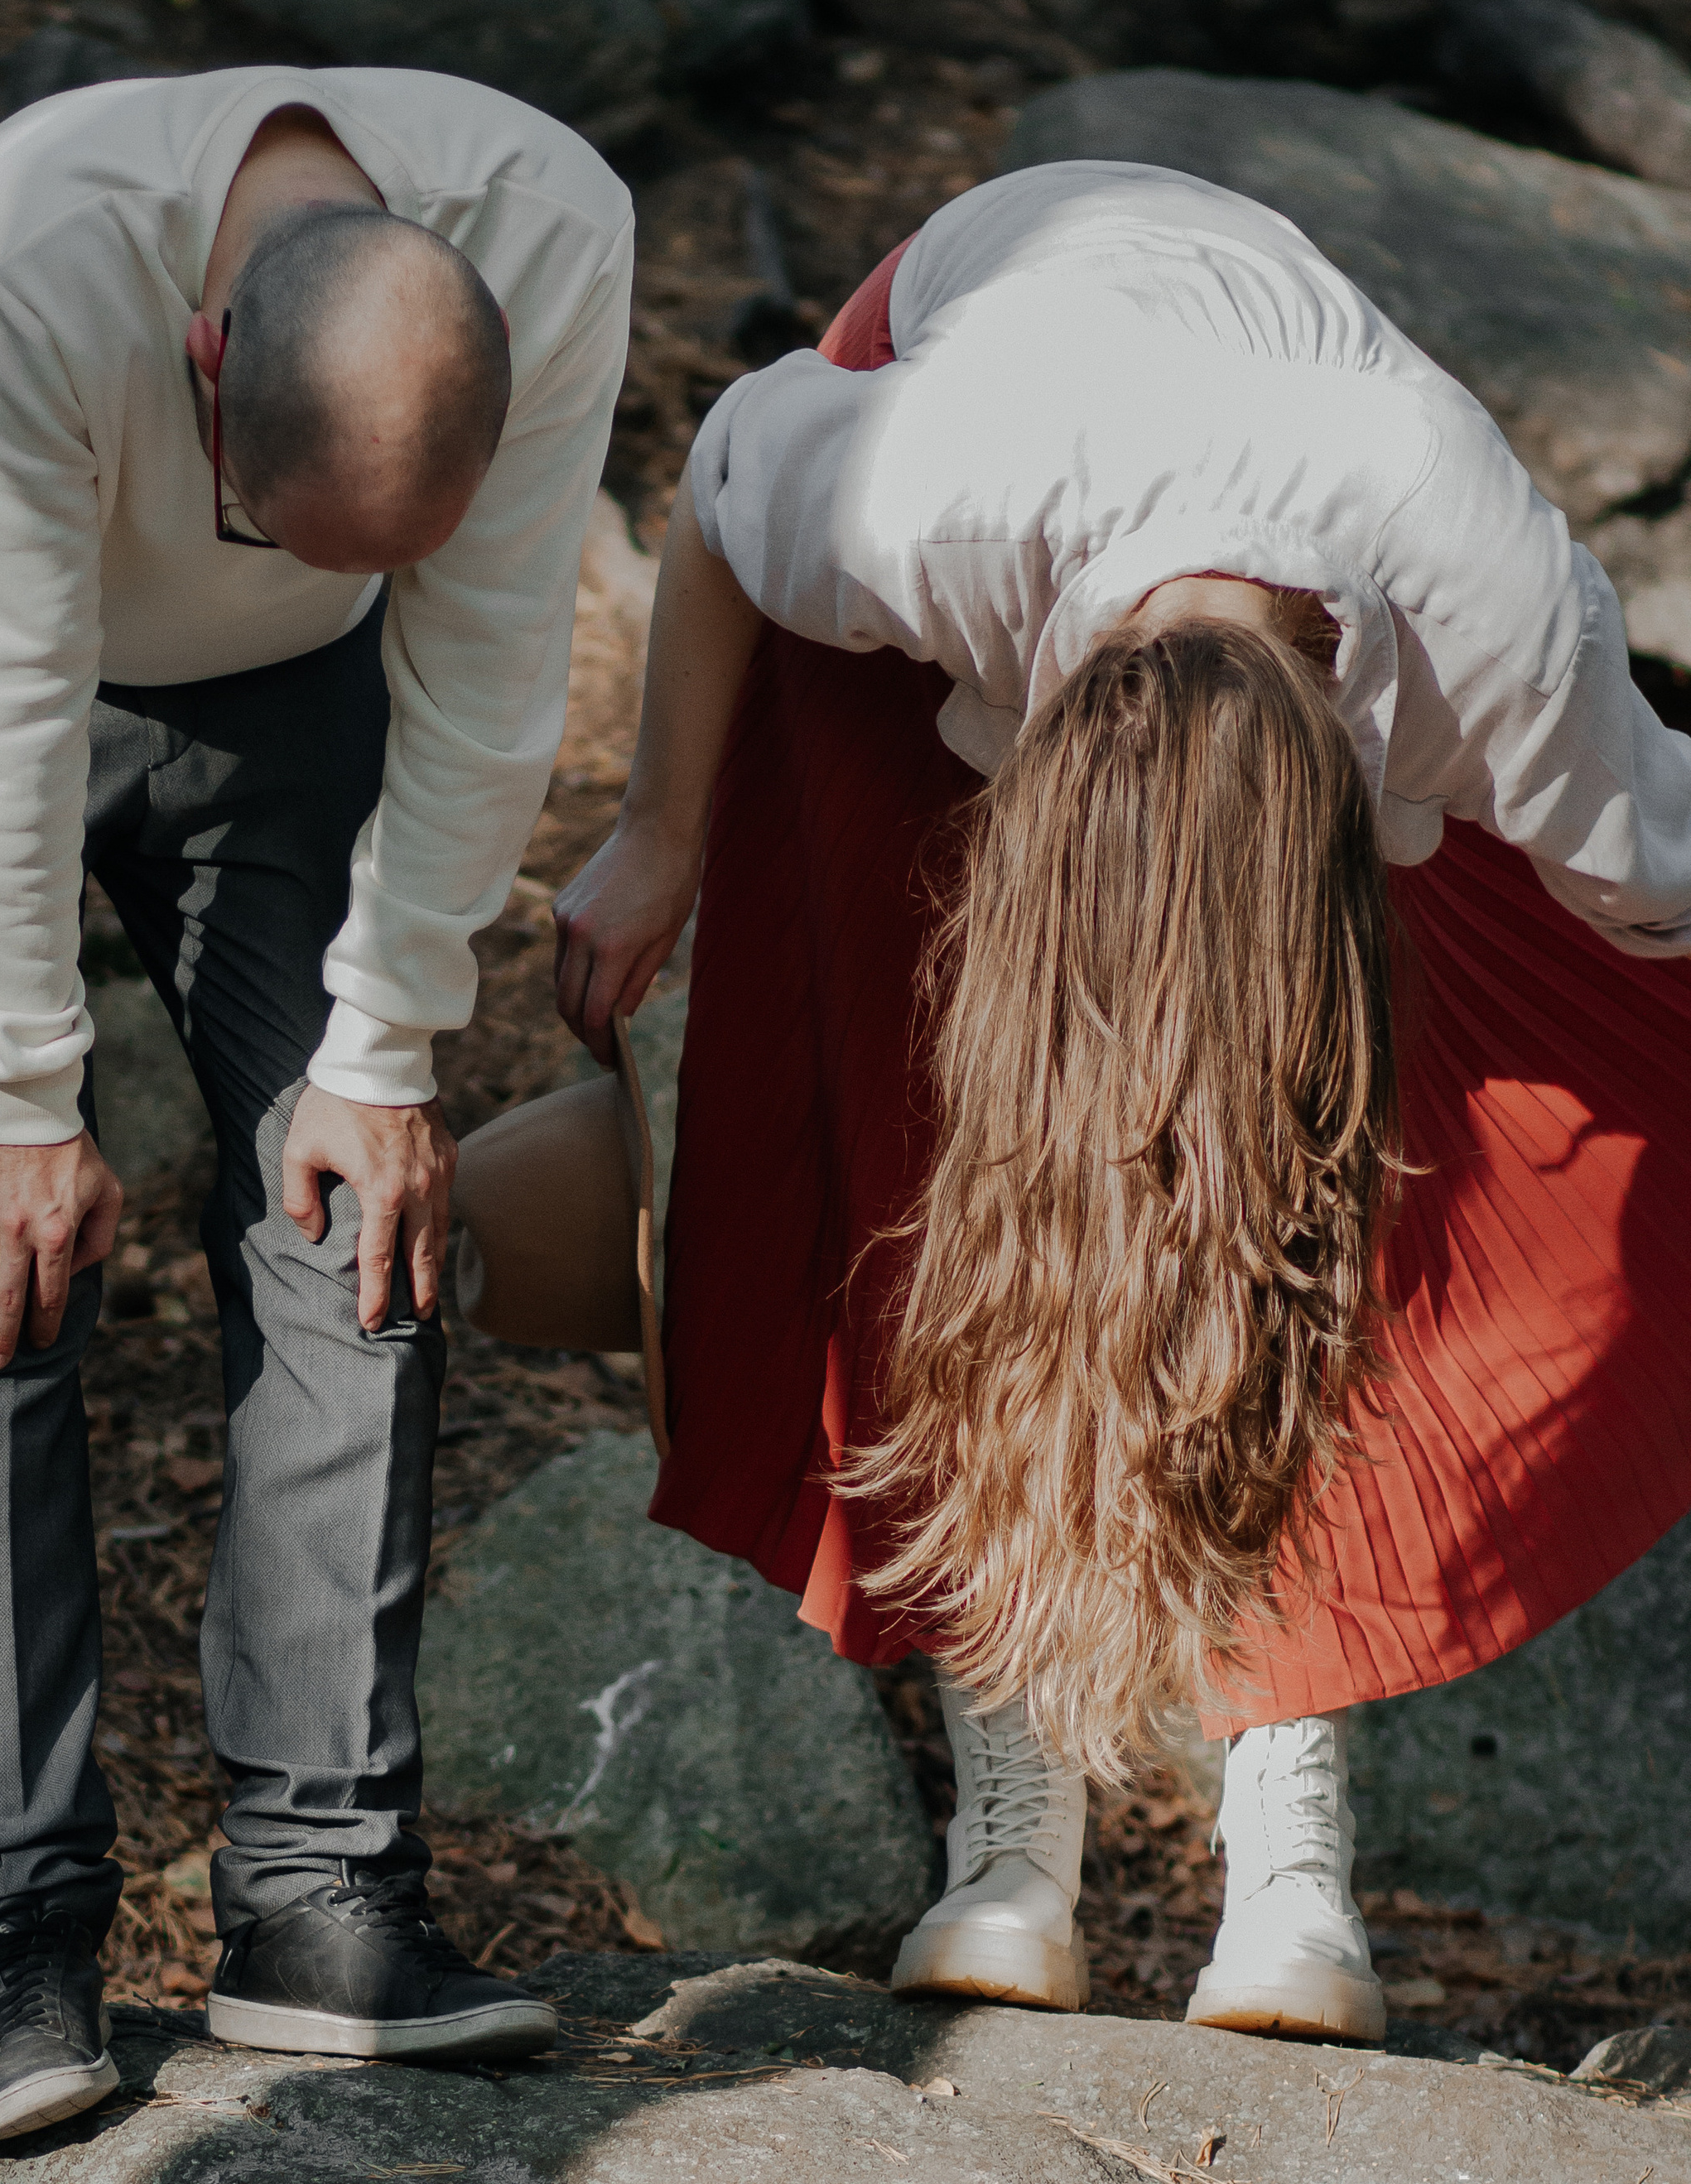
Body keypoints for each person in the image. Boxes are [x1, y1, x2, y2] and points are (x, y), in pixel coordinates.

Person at [554, 159, 1691, 2047]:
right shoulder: (915, 492)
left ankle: (1289, 1857)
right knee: (956, 1160)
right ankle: (1012, 1840)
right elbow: (721, 472)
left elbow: (1658, 875)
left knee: (1306, 1184)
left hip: (1285, 609)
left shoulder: (1492, 622)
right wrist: (654, 836)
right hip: (961, 428)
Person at [0, 68, 632, 2143]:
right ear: (206, 352)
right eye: (251, 497)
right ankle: (17, 1937)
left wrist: (387, 1046)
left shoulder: (550, 230)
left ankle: (320, 1902)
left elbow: (492, 659)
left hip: (285, 689)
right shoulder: (21, 249)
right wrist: (16, 1086)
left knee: (355, 1211)